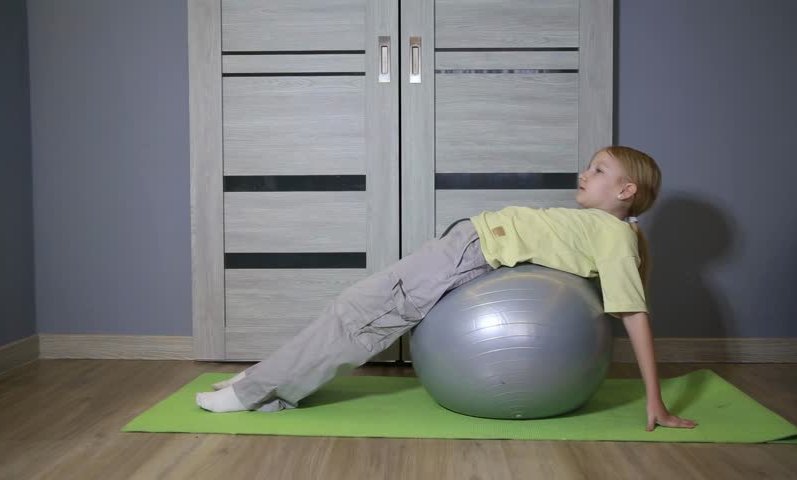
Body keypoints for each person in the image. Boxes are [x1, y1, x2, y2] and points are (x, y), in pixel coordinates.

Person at [196, 145, 697, 431]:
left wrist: (656, 399)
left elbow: (634, 314)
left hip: (470, 252)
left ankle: (257, 391)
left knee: (358, 315)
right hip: (467, 244)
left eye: (599, 170)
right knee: (354, 309)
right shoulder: (611, 230)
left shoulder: (615, 236)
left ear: (626, 191)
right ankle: (266, 380)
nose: (584, 173)